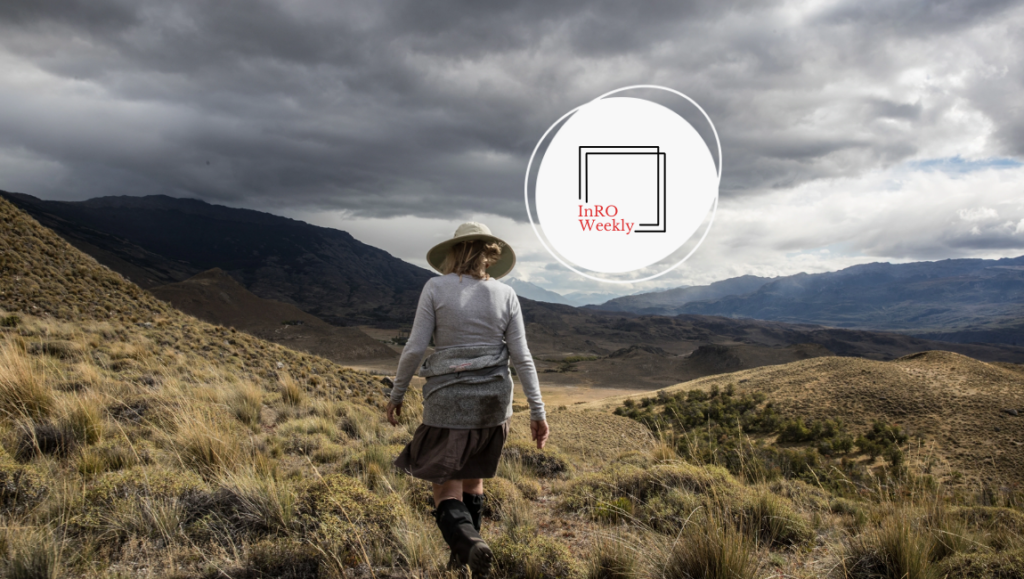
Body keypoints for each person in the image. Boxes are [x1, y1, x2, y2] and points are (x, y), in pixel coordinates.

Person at [384, 221, 549, 578]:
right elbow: (522, 358)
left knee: (445, 490)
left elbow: (414, 348)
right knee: (474, 481)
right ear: (489, 256)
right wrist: (538, 411)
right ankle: (465, 563)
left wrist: (397, 393)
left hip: (448, 403)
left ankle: (469, 545)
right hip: (494, 407)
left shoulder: (435, 288)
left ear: (454, 251)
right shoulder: (506, 295)